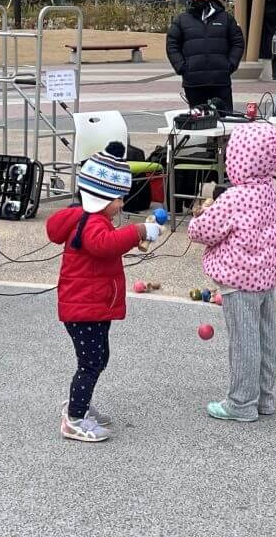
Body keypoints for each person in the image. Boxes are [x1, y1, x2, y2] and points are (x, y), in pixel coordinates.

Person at [46, 147, 162, 442]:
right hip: (84, 308)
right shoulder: (92, 223)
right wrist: (138, 232)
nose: (121, 204)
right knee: (91, 363)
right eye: (118, 198)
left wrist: (133, 235)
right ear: (101, 197)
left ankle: (80, 404)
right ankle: (74, 418)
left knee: (97, 358)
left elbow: (107, 244)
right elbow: (104, 245)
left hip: (90, 305)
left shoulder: (90, 219)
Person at [188, 122, 276, 422]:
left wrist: (199, 216)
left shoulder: (234, 197)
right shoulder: (270, 190)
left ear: (238, 158)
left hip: (238, 282)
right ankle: (264, 398)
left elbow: (203, 231)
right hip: (265, 278)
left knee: (244, 342)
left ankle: (242, 403)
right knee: (265, 338)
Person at [166, 0, 245, 113]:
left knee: (225, 120)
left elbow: (238, 41)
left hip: (220, 82)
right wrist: (182, 67)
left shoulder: (225, 18)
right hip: (194, 83)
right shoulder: (182, 20)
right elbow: (172, 45)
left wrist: (230, 64)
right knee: (198, 122)